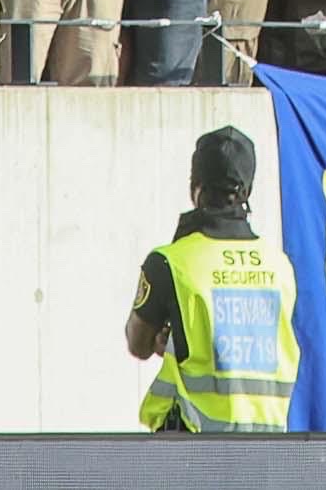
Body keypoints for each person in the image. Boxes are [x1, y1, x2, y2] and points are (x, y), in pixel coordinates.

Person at [127, 125, 296, 432]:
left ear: (196, 187)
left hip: (195, 451)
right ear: (247, 190)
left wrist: (162, 340)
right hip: (271, 450)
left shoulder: (171, 261)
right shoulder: (280, 265)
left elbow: (137, 344)